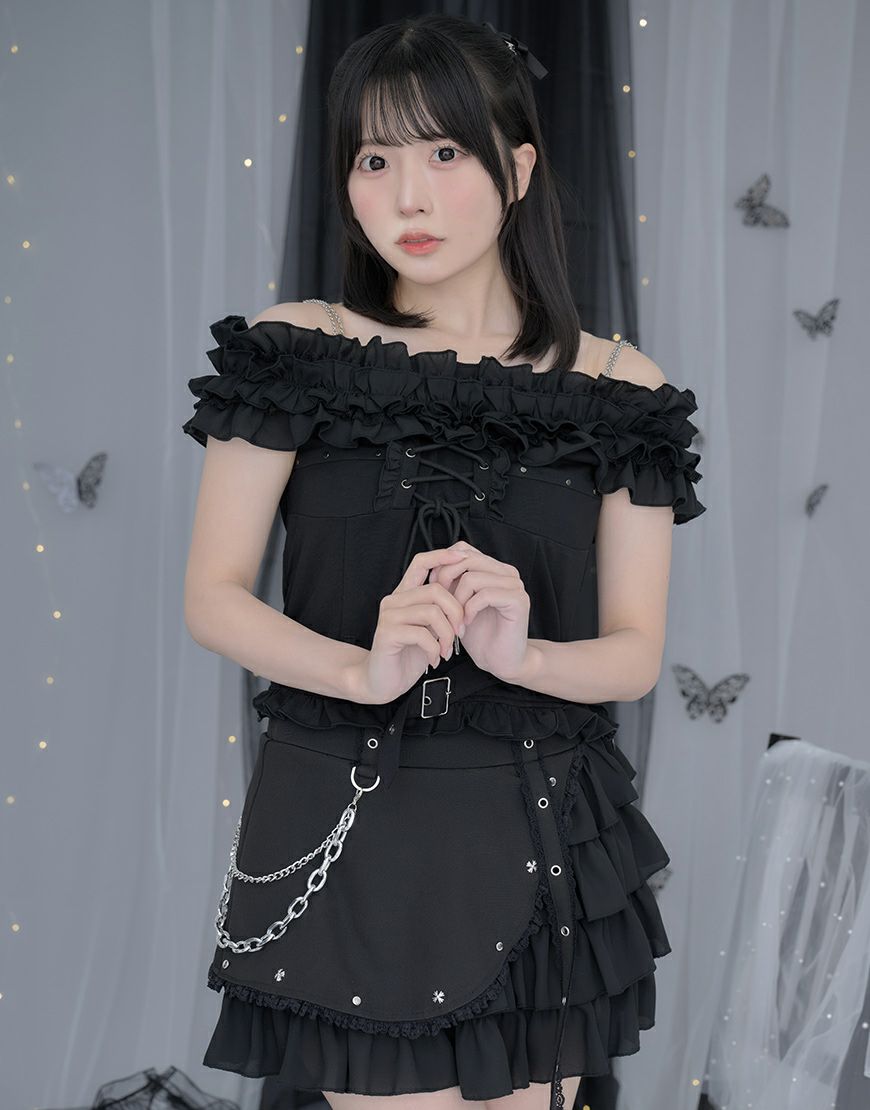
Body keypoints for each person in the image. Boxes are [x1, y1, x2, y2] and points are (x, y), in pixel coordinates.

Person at [181, 13, 706, 1110]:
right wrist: (360, 670)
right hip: (346, 813)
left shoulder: (622, 390)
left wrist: (525, 658)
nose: (406, 198)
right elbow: (215, 597)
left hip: (545, 822)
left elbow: (634, 652)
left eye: (445, 152)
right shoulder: (296, 351)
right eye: (374, 160)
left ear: (519, 168)